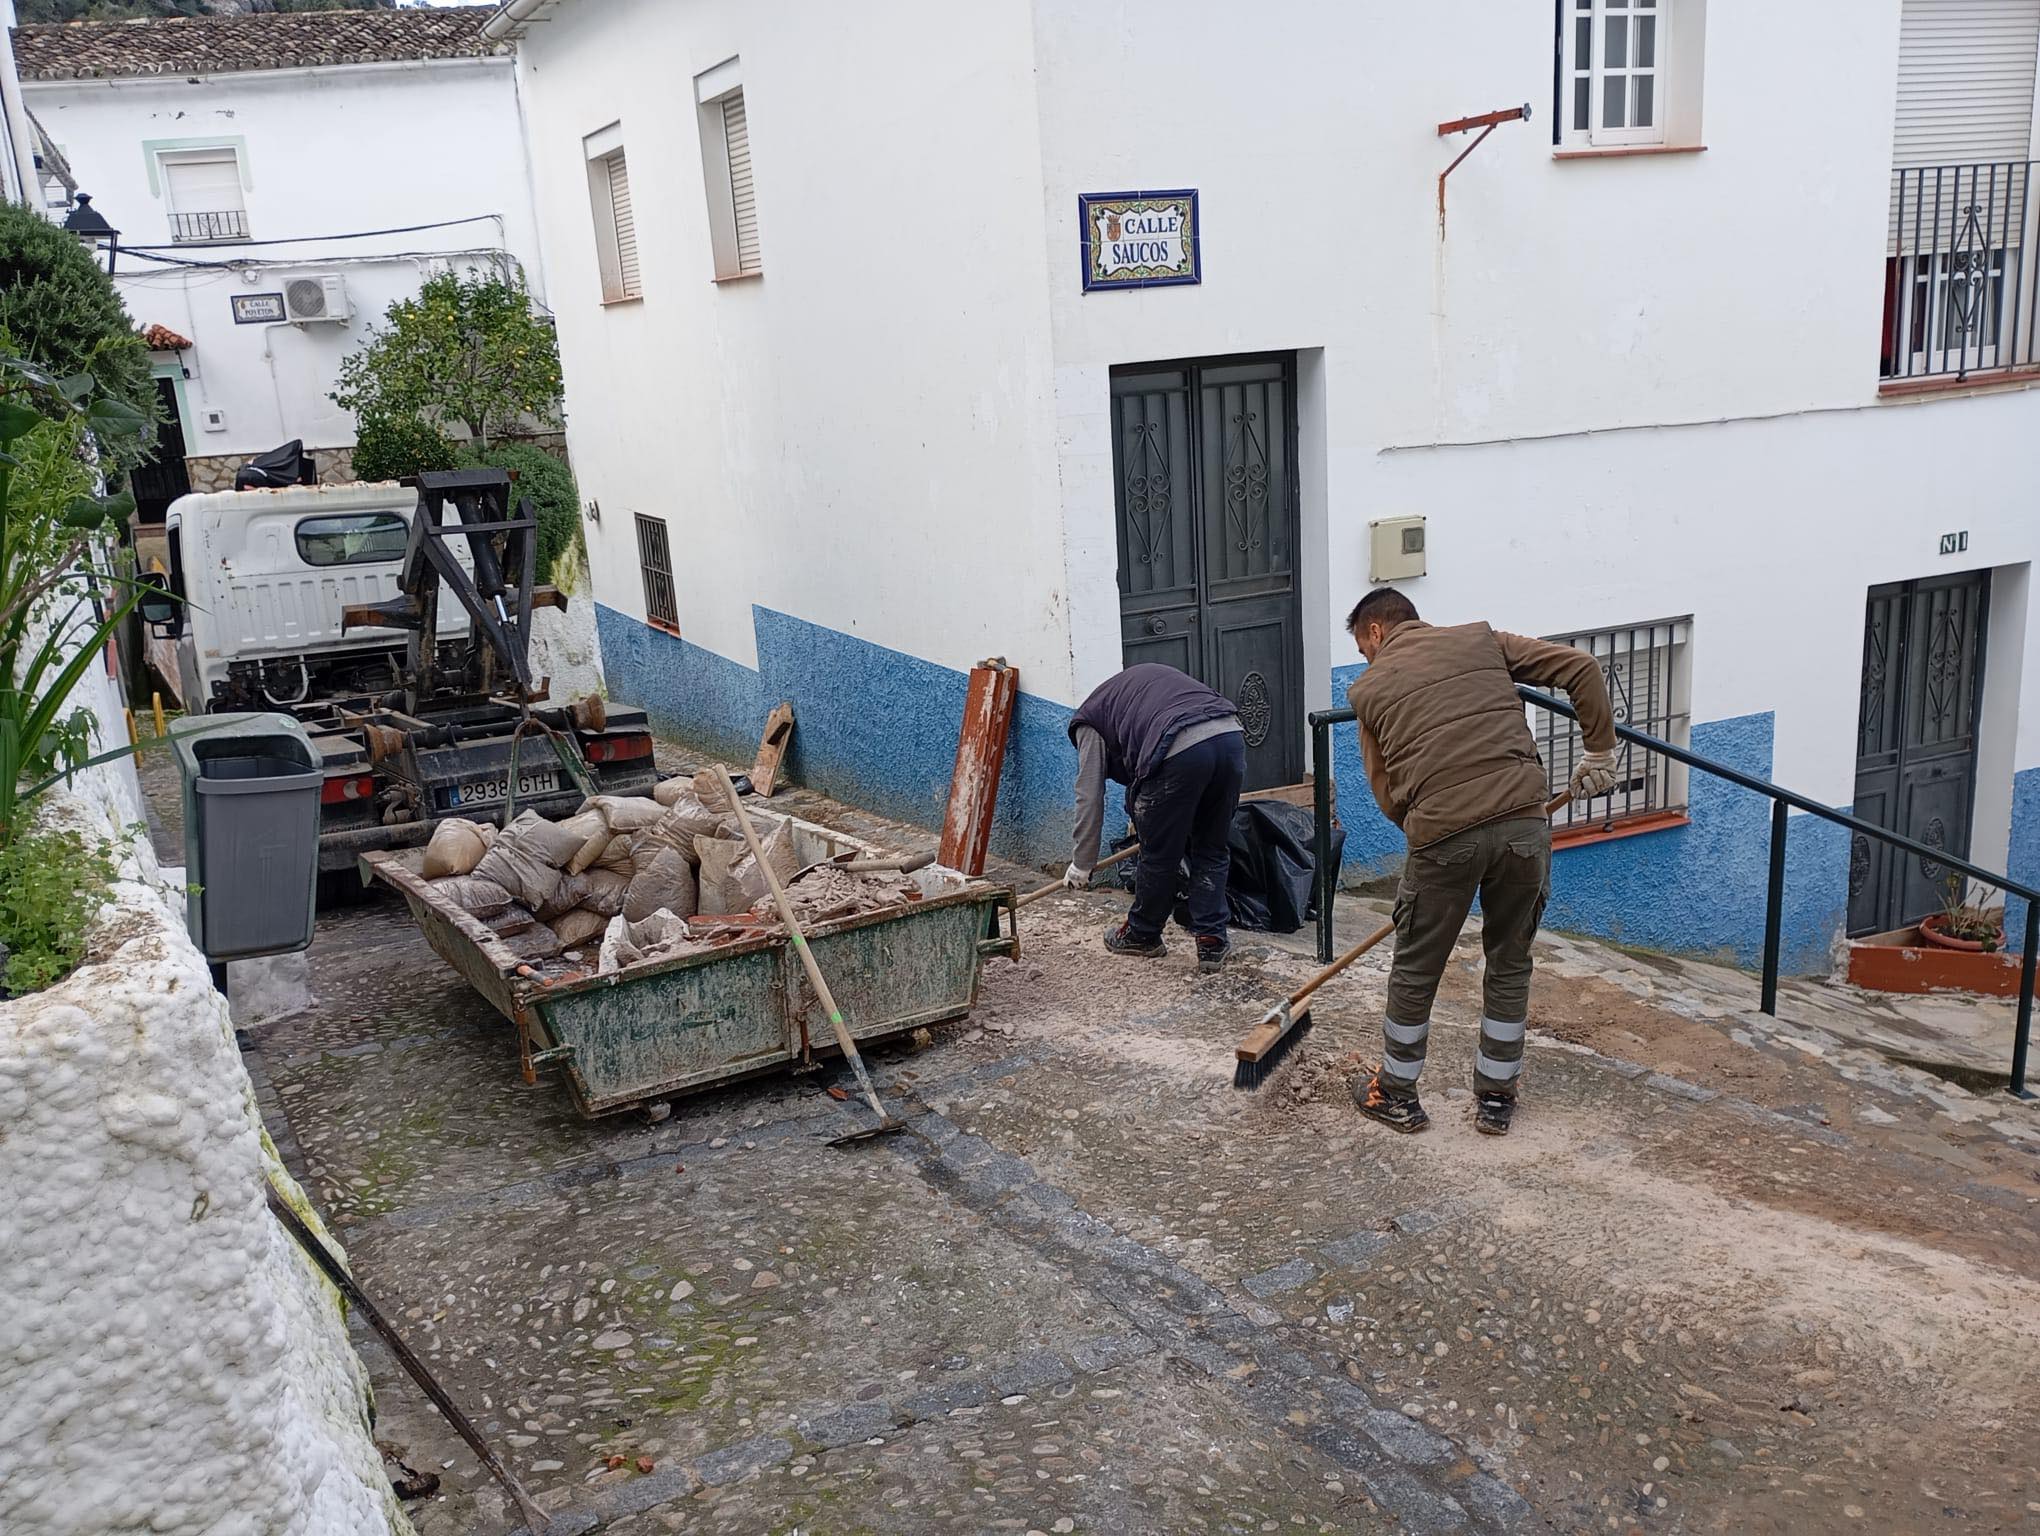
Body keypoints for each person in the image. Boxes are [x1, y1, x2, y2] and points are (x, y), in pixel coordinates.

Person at [1343, 588, 1617, 1137]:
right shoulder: (1482, 640)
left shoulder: (1368, 691)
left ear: (1375, 631)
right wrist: (1599, 751)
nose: (1368, 660)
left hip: (1443, 833)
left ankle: (1396, 1094)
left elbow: (1387, 792)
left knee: (1417, 970)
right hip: (1524, 822)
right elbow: (1582, 667)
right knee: (1510, 962)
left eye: (1363, 647)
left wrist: (1433, 839)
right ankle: (1496, 1100)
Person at [1064, 663, 1246, 971]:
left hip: (1179, 748)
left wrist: (1082, 863)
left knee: (1159, 854)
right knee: (1212, 849)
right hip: (1230, 736)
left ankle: (1142, 933)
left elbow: (1089, 794)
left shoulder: (1087, 724)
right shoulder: (1135, 693)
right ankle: (1211, 940)